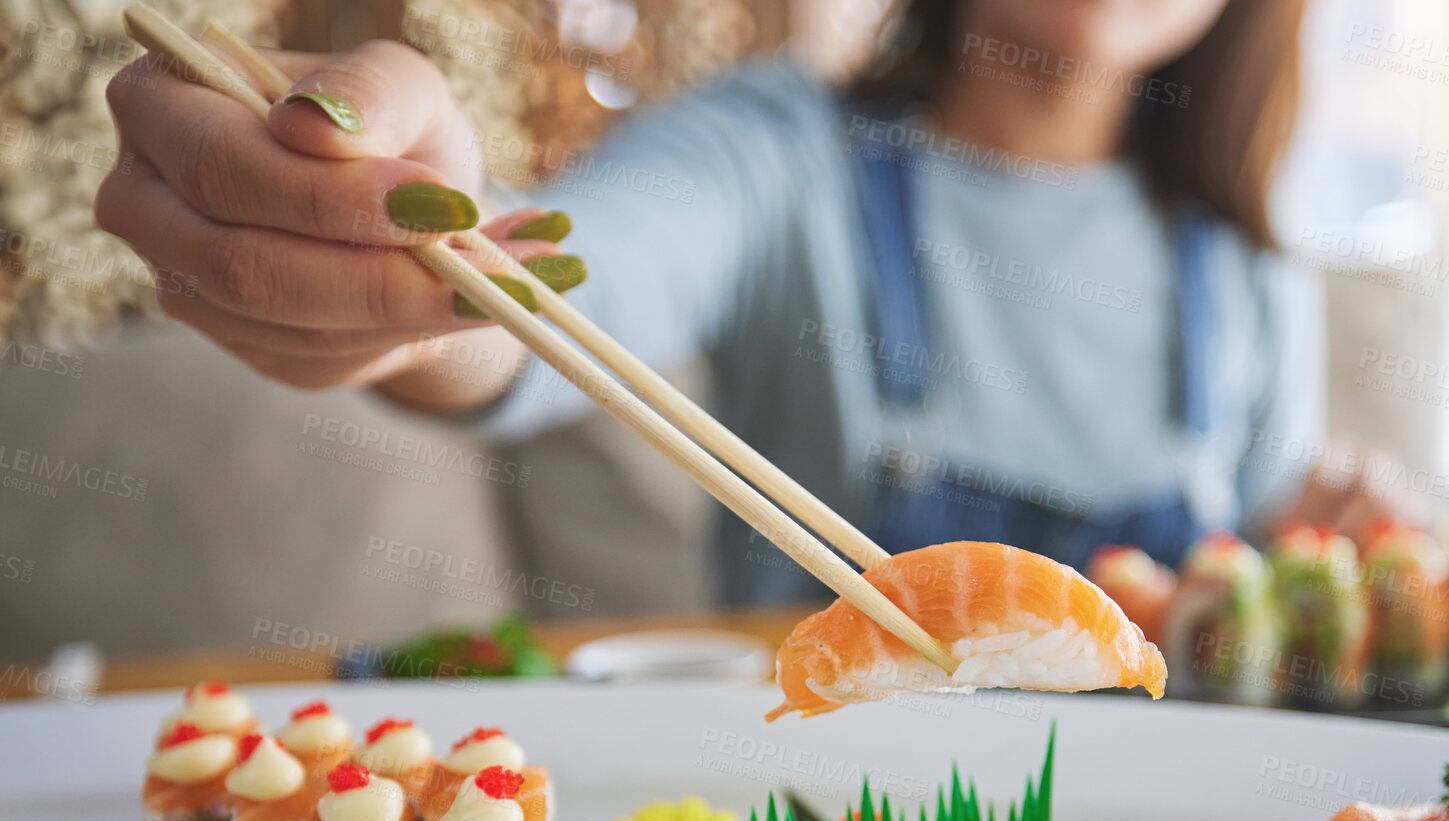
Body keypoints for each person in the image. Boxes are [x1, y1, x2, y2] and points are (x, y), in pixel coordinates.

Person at [97, 0, 1322, 606]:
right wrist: (413, 253)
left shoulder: (1252, 266)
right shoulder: (776, 151)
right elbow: (559, 291)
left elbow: (1257, 580)